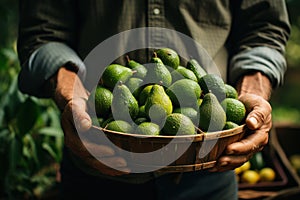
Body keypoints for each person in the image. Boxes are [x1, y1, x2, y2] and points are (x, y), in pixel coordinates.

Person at [17, 1, 290, 199]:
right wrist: (71, 97)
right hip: (97, 161)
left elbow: (264, 25)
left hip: (210, 169)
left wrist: (252, 91)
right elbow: (43, 32)